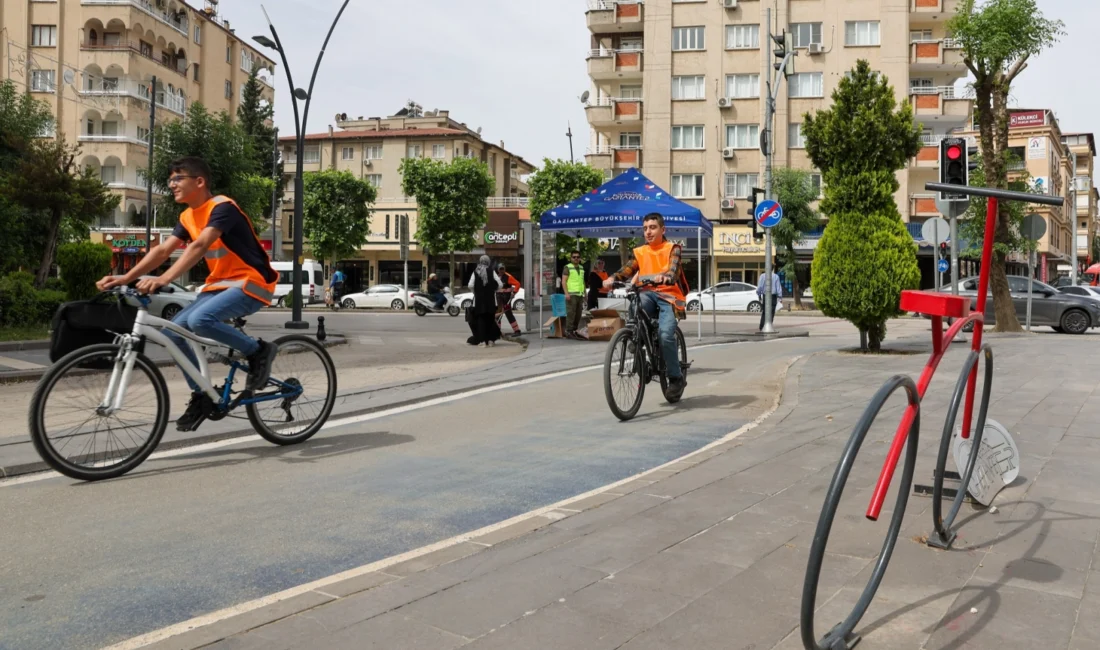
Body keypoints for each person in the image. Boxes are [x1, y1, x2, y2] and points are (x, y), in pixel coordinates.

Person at [96, 156, 279, 432]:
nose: (171, 185)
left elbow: (200, 245)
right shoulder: (187, 216)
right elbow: (162, 251)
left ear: (200, 181)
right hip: (219, 285)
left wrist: (164, 279)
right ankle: (203, 394)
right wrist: (126, 277)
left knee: (199, 321)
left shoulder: (222, 207)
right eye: (170, 180)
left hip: (252, 282)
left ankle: (258, 350)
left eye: (177, 178)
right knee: (173, 332)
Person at [603, 213, 687, 400]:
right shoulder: (640, 251)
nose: (648, 232)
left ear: (662, 229)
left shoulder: (672, 248)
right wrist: (612, 278)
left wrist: (665, 277)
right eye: (645, 228)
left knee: (666, 335)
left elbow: (673, 271)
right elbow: (628, 269)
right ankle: (635, 338)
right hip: (648, 293)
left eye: (653, 227)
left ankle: (675, 378)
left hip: (669, 296)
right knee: (636, 305)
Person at [467, 255, 501, 346]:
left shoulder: (475, 272)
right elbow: (500, 284)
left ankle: (482, 341)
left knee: (481, 320)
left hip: (479, 301)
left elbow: (470, 285)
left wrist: (476, 291)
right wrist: (494, 290)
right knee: (490, 319)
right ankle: (490, 341)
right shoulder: (491, 271)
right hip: (490, 300)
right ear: (488, 262)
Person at [562, 251, 586, 339]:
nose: (576, 258)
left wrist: (585, 293)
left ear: (580, 258)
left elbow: (582, 281)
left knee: (578, 314)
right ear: (571, 258)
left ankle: (575, 330)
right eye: (574, 257)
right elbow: (564, 281)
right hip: (571, 294)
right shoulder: (567, 267)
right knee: (571, 313)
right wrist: (566, 293)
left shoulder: (581, 267)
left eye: (578, 257)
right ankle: (569, 331)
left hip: (579, 294)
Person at [496, 263, 522, 337]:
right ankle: (497, 332)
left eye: (502, 269)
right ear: (498, 269)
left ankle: (517, 331)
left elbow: (517, 284)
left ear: (505, 269)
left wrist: (514, 292)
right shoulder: (496, 277)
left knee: (508, 313)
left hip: (506, 298)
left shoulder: (508, 277)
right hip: (499, 298)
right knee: (498, 314)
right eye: (500, 269)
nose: (501, 271)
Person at [757, 261, 783, 331]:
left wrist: (759, 295)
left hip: (765, 296)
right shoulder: (776, 276)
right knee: (771, 312)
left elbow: (759, 287)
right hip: (773, 296)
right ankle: (769, 326)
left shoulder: (762, 276)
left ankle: (762, 327)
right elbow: (778, 288)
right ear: (772, 269)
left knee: (765, 312)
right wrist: (780, 297)